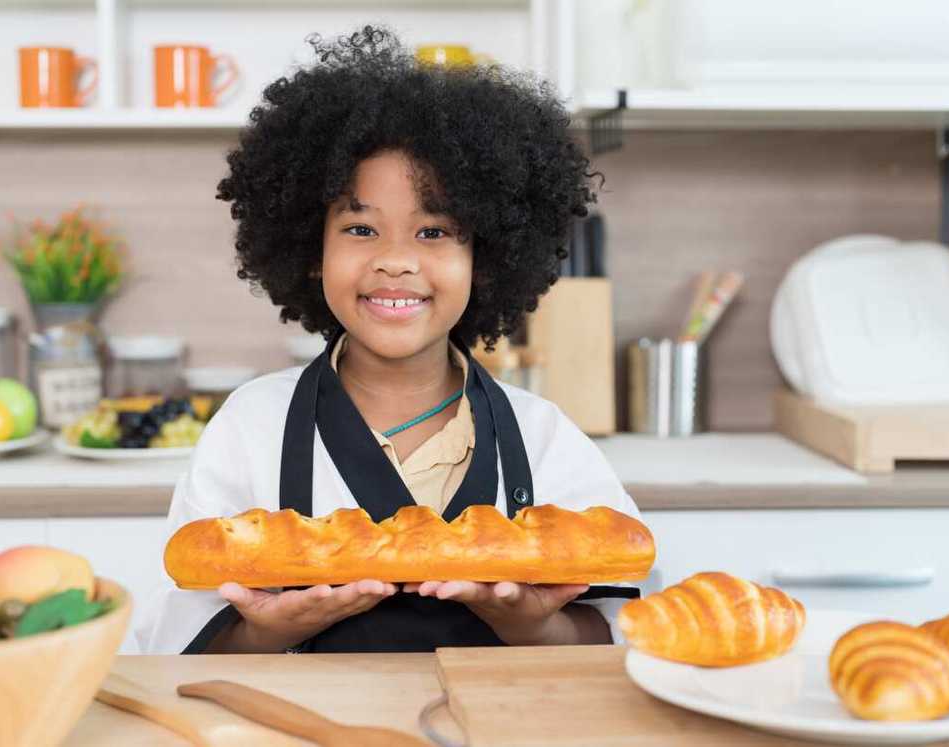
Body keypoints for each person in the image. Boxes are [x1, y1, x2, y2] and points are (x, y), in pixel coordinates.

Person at [135, 25, 643, 655]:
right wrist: (265, 631)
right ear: (311, 251)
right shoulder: (250, 427)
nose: (396, 262)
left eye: (433, 232)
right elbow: (171, 641)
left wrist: (532, 623)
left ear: (484, 258)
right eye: (360, 229)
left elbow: (623, 631)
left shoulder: (542, 437)